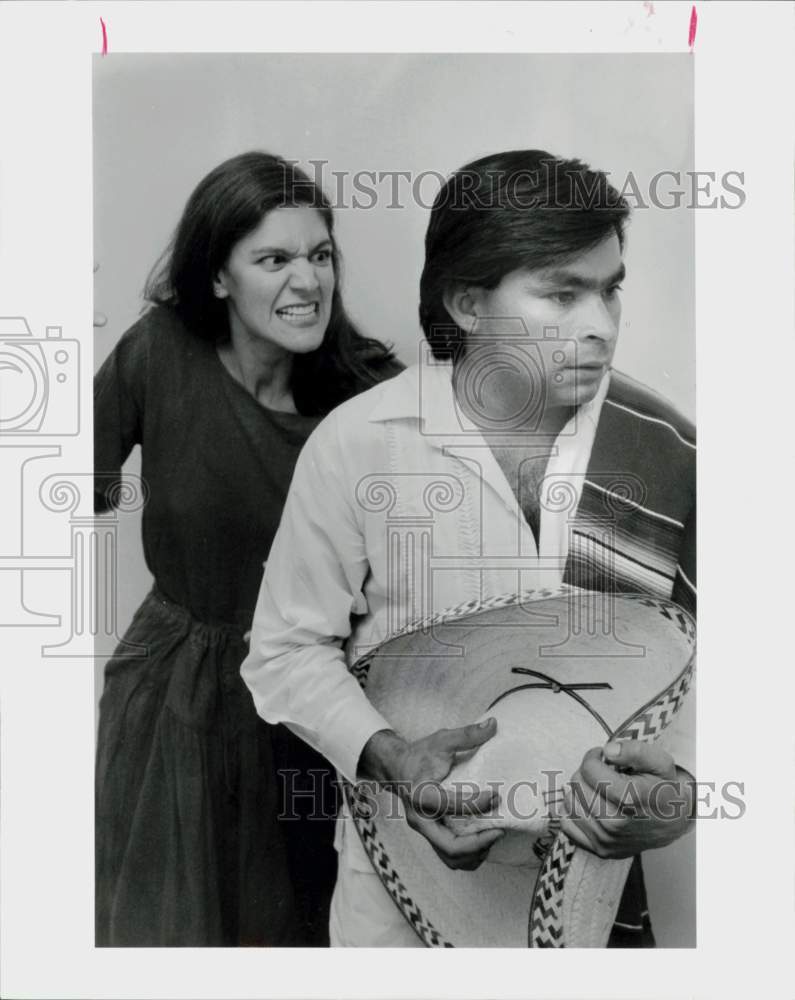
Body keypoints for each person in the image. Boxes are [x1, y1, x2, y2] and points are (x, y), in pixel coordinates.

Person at [241, 149, 696, 947]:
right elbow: (283, 651)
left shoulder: (668, 451)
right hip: (399, 893)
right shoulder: (359, 444)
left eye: (609, 288)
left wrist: (676, 799)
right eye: (561, 293)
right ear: (467, 303)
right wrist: (386, 756)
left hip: (593, 896)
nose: (600, 323)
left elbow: (725, 671)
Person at [93, 151, 402, 947]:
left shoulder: (371, 396)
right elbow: (55, 486)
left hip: (307, 703)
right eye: (273, 260)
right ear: (220, 277)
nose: (308, 282)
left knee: (300, 932)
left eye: (320, 255)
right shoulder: (158, 351)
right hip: (175, 693)